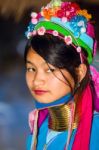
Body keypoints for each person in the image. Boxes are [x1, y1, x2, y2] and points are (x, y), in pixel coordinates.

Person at [24, 0, 99, 149]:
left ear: (80, 72)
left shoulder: (95, 133)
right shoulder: (39, 129)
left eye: (50, 70)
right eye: (31, 69)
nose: (37, 80)